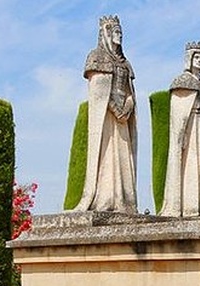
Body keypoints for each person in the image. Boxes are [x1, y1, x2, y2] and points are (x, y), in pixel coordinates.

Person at [74, 15, 138, 213]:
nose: (119, 35)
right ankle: (107, 197)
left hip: (122, 118)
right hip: (107, 117)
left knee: (123, 155)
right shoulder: (97, 57)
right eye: (115, 32)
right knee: (108, 153)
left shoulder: (125, 63)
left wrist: (127, 107)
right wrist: (115, 108)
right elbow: (99, 92)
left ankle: (124, 200)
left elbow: (130, 91)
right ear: (106, 34)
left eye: (120, 32)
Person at [160, 42, 200, 218]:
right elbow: (179, 116)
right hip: (191, 129)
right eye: (196, 57)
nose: (199, 61)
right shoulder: (182, 83)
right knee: (190, 166)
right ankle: (189, 207)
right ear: (189, 59)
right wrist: (182, 136)